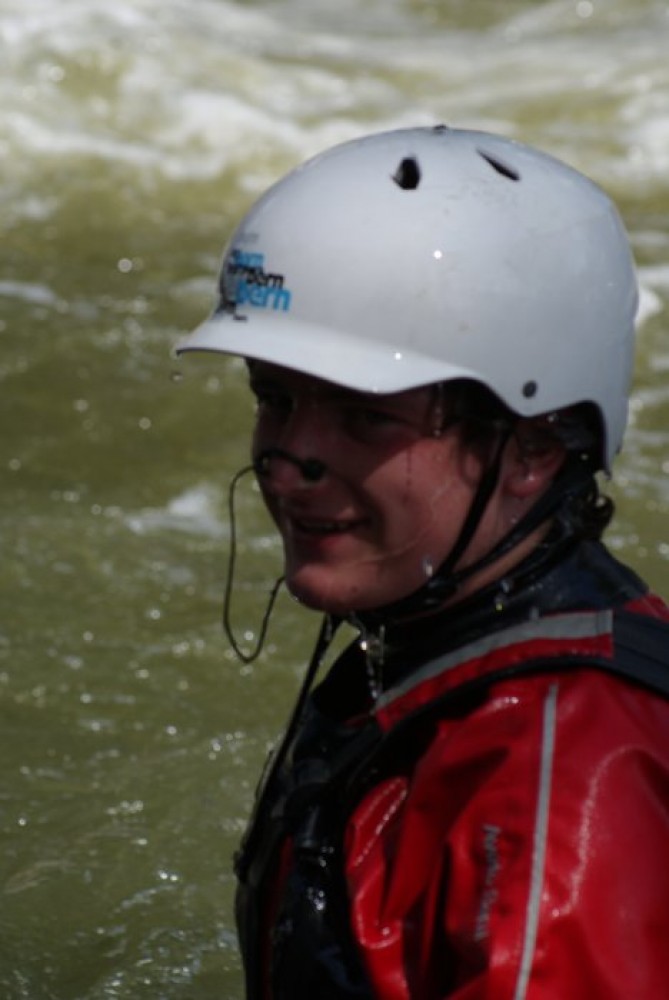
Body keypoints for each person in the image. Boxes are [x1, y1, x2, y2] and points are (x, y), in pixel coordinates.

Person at [176, 126, 669, 999]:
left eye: (365, 417)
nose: (289, 462)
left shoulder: (563, 779)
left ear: (531, 449)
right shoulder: (433, 648)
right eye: (274, 398)